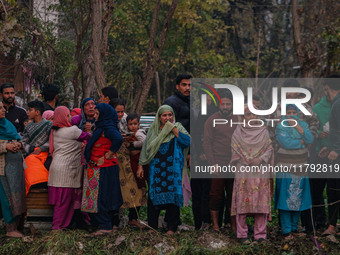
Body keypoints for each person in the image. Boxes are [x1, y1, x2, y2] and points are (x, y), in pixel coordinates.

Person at [137, 105, 190, 235]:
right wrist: (140, 165)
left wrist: (173, 129)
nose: (167, 118)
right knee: (154, 196)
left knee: (173, 196)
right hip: (157, 169)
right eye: (164, 115)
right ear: (159, 117)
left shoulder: (177, 127)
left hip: (173, 169)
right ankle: (153, 226)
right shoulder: (153, 130)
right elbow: (146, 149)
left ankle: (171, 228)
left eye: (170, 115)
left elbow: (187, 141)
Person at [230, 105, 273, 244]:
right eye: (249, 115)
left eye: (255, 115)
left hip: (260, 171)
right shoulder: (238, 131)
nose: (253, 117)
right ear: (243, 117)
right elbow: (234, 147)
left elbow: (269, 148)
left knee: (261, 202)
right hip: (244, 170)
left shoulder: (264, 131)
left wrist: (260, 159)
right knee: (242, 202)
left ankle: (260, 235)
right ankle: (242, 234)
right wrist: (246, 159)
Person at [48, 106, 91, 230]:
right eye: (68, 115)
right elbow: (88, 137)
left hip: (56, 168)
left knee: (61, 202)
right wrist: (90, 130)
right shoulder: (72, 130)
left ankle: (61, 226)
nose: (70, 117)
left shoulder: (55, 131)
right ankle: (56, 228)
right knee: (64, 202)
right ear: (65, 117)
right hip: (66, 170)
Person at [82, 103, 123, 235]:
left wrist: (109, 153)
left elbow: (118, 138)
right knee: (103, 196)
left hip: (103, 168)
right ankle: (107, 224)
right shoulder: (101, 128)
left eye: (97, 114)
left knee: (102, 197)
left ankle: (105, 226)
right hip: (100, 167)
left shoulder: (108, 128)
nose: (95, 116)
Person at [275, 104, 313, 239]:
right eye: (288, 112)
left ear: (298, 113)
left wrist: (299, 129)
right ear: (285, 114)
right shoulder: (281, 126)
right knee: (286, 200)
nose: (291, 115)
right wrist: (302, 141)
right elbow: (286, 143)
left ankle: (294, 228)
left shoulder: (303, 125)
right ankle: (286, 231)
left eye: (294, 112)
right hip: (286, 168)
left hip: (301, 169)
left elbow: (311, 139)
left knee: (299, 198)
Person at [203, 90, 238, 232]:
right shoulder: (211, 120)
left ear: (232, 105)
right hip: (218, 162)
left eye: (228, 104)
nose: (225, 107)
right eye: (223, 104)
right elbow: (207, 143)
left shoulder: (238, 119)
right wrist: (212, 164)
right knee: (215, 194)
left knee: (233, 195)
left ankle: (233, 225)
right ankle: (216, 225)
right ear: (219, 104)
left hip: (234, 163)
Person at [110, 100, 146, 228]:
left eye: (122, 111)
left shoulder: (128, 124)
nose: (120, 114)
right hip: (114, 161)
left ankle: (133, 218)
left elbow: (141, 140)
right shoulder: (109, 123)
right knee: (116, 191)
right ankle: (114, 221)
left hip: (128, 161)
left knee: (135, 187)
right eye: (117, 111)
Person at [0, 101, 26, 238]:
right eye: (0, 108)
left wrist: (18, 144)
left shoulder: (7, 124)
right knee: (6, 197)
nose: (3, 110)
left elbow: (19, 138)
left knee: (17, 193)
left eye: (3, 107)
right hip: (2, 169)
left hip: (15, 168)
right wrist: (5, 146)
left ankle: (17, 225)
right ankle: (10, 228)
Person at [318, 75, 340, 236]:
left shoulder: (337, 103)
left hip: (337, 156)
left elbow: (338, 129)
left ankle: (332, 226)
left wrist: (336, 149)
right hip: (334, 150)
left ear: (328, 88)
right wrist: (328, 146)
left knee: (333, 190)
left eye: (325, 88)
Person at [22, 100, 53, 194]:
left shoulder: (48, 124)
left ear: (37, 112)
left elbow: (51, 140)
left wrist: (40, 149)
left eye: (30, 110)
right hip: (32, 153)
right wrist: (31, 149)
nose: (27, 112)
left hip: (45, 154)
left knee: (30, 161)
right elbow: (24, 141)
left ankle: (42, 181)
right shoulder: (28, 126)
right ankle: (38, 182)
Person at [125, 113, 147, 228]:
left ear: (139, 124)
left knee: (139, 179)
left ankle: (143, 187)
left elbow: (144, 142)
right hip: (133, 160)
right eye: (130, 124)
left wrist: (131, 144)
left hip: (139, 159)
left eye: (135, 124)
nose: (133, 126)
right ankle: (132, 218)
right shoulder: (130, 133)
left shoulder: (139, 133)